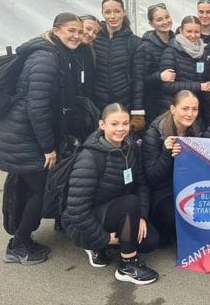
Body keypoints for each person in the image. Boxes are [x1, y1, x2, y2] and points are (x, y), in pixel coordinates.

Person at [0, 12, 82, 265]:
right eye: (71, 31)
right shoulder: (46, 58)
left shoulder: (50, 53)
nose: (76, 36)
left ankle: (20, 238)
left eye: (79, 31)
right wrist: (48, 148)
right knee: (46, 190)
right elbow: (38, 108)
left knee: (33, 187)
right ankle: (20, 243)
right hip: (23, 138)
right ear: (56, 30)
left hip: (18, 135)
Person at [61, 103, 159, 284]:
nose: (121, 129)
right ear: (102, 124)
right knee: (130, 202)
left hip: (118, 210)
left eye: (125, 123)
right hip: (88, 217)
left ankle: (109, 242)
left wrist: (142, 216)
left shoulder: (131, 147)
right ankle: (127, 265)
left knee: (150, 241)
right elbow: (76, 210)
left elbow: (142, 184)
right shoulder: (90, 157)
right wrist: (103, 237)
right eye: (114, 124)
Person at [142, 90, 201, 244]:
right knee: (175, 218)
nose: (190, 114)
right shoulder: (153, 134)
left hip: (186, 187)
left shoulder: (196, 130)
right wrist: (166, 154)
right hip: (162, 191)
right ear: (173, 109)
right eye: (185, 108)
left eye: (194, 109)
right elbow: (152, 177)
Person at [93, 0, 145, 131]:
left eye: (117, 11)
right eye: (108, 12)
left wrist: (137, 111)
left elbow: (138, 79)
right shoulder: (94, 40)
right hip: (98, 104)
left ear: (124, 12)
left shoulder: (135, 42)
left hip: (124, 103)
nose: (112, 16)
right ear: (102, 13)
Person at [159, 16, 210, 113]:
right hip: (174, 107)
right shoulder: (170, 52)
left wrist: (208, 84)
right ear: (181, 30)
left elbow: (202, 77)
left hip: (195, 106)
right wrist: (199, 86)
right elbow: (167, 86)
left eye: (196, 32)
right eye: (189, 31)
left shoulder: (203, 52)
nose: (193, 35)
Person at [137, 3, 174, 124]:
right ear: (151, 24)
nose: (165, 21)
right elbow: (141, 78)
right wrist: (160, 76)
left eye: (167, 17)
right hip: (154, 103)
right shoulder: (146, 47)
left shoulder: (177, 42)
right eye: (159, 19)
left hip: (174, 100)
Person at [73, 15, 99, 101]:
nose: (91, 34)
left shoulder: (89, 52)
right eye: (88, 28)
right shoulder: (65, 49)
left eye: (95, 32)